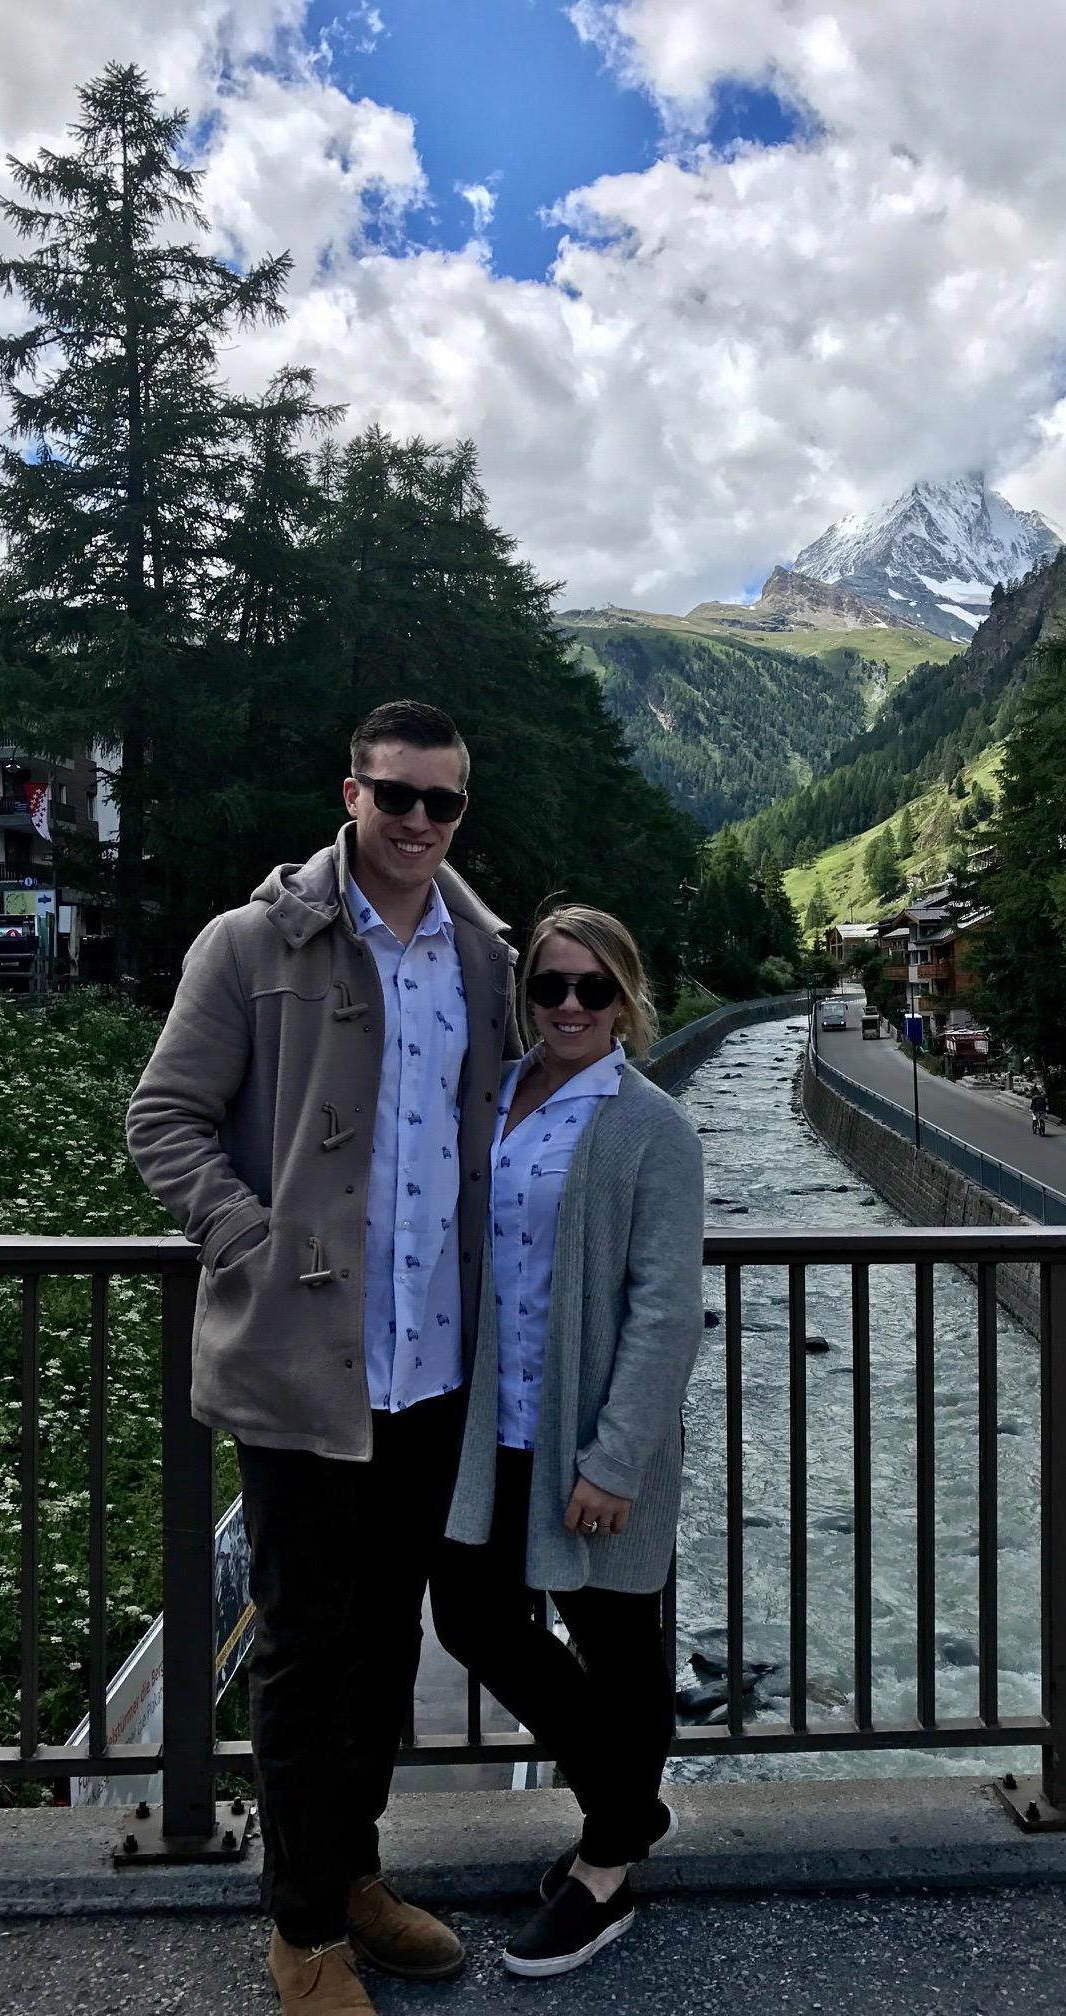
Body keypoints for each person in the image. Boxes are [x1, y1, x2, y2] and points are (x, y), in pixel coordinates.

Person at [127, 700, 518, 2014]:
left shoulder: (483, 958)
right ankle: (301, 1928)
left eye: (440, 803)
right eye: (394, 795)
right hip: (302, 1367)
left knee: (387, 1646)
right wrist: (252, 1241)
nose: (416, 821)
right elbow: (165, 1118)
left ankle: (350, 1872)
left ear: (462, 812)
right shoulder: (251, 945)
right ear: (348, 792)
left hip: (431, 1362)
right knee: (304, 1647)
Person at [433, 905, 706, 1980]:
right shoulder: (494, 1094)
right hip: (487, 1428)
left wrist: (613, 1458)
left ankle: (607, 1868)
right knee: (470, 1614)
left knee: (617, 1642)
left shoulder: (653, 1129)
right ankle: (632, 1807)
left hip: (590, 1438)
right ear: (526, 994)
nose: (572, 1007)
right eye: (551, 985)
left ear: (628, 999)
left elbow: (666, 1310)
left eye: (596, 989)